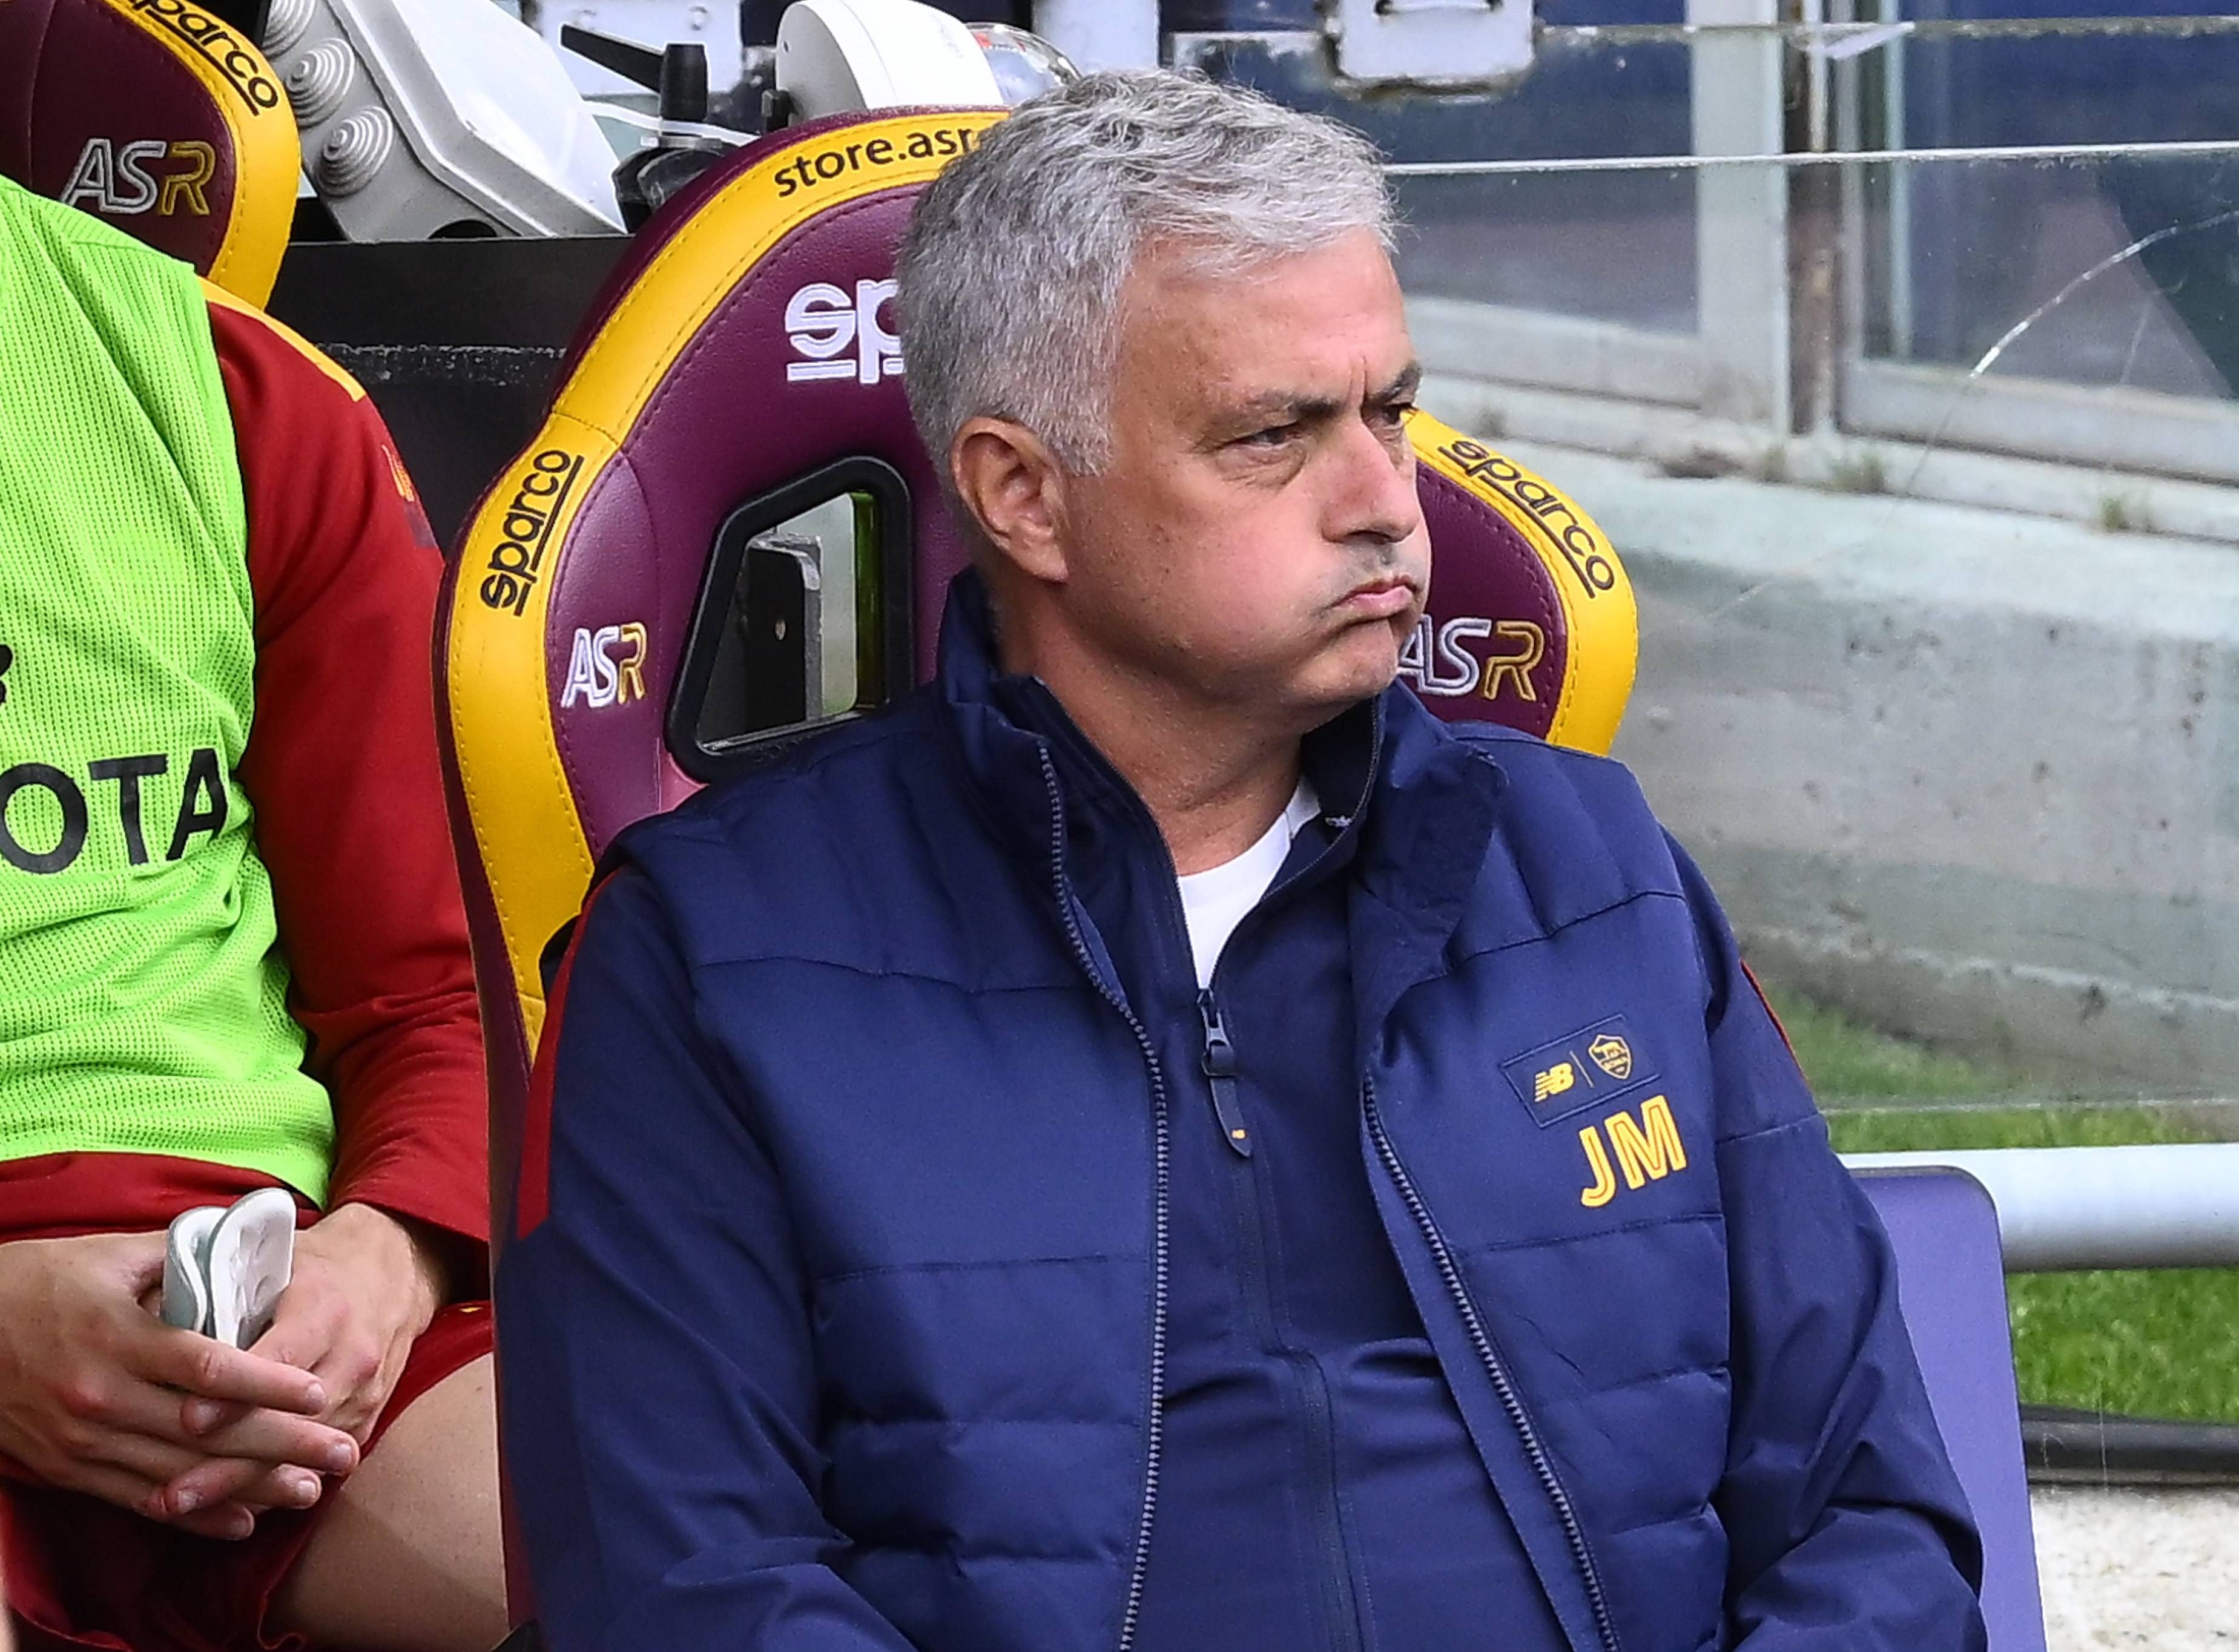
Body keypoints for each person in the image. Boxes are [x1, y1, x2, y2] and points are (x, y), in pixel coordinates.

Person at [495, 69, 1986, 1652]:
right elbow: (691, 1600)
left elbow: (1872, 1514)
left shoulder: (1592, 872)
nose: (1385, 504)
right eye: (1277, 436)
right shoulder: (721, 959)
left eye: (1391, 411)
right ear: (1022, 494)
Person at [0, 174, 504, 1652]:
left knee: (738, 1575)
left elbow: (438, 987)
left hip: (259, 1295)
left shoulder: (226, 385)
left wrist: (388, 1257)